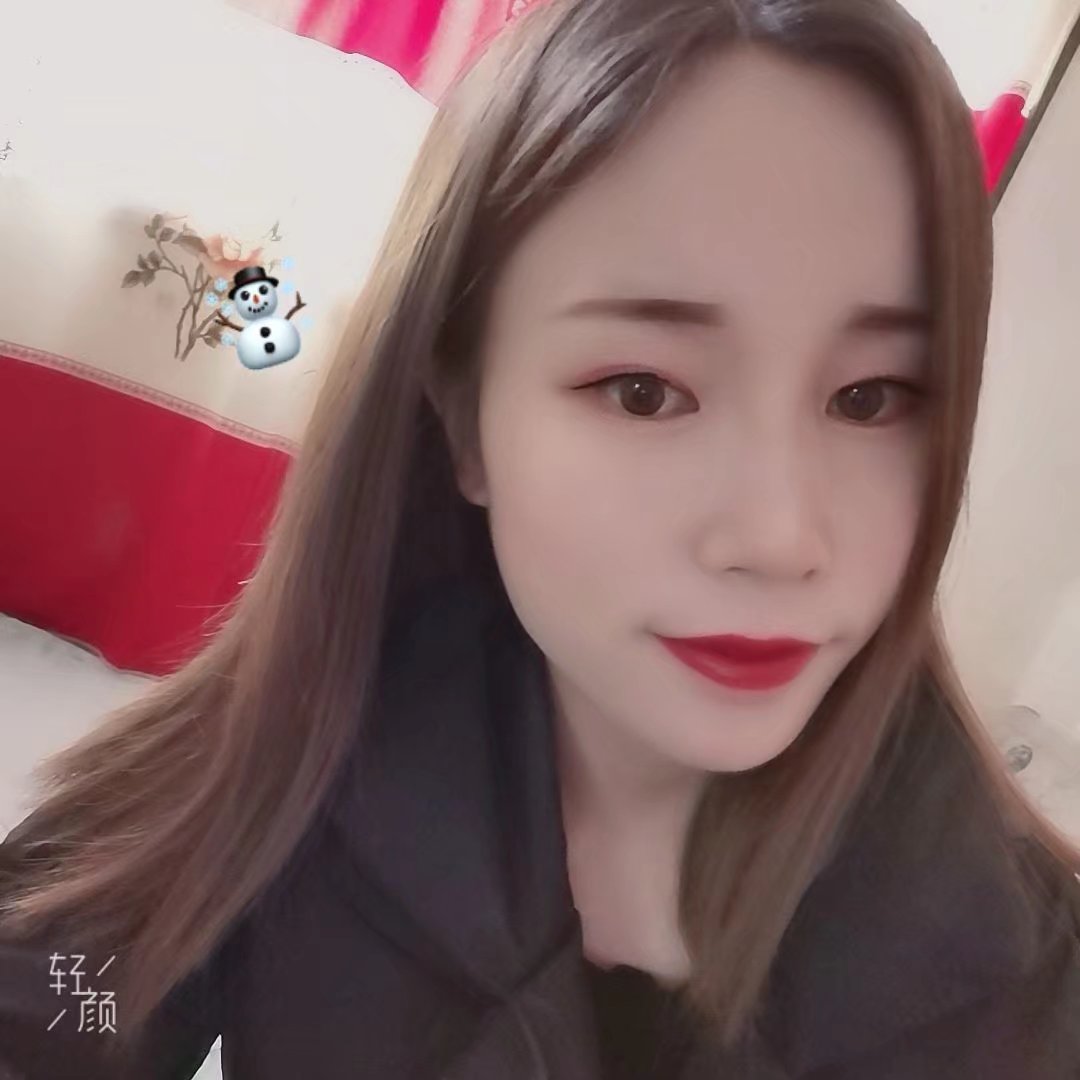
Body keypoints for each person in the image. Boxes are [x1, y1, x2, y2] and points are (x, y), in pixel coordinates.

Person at [2, 0, 1079, 1076]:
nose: (778, 536)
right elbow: (67, 996)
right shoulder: (285, 751)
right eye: (644, 391)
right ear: (465, 419)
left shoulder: (1027, 984)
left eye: (870, 397)